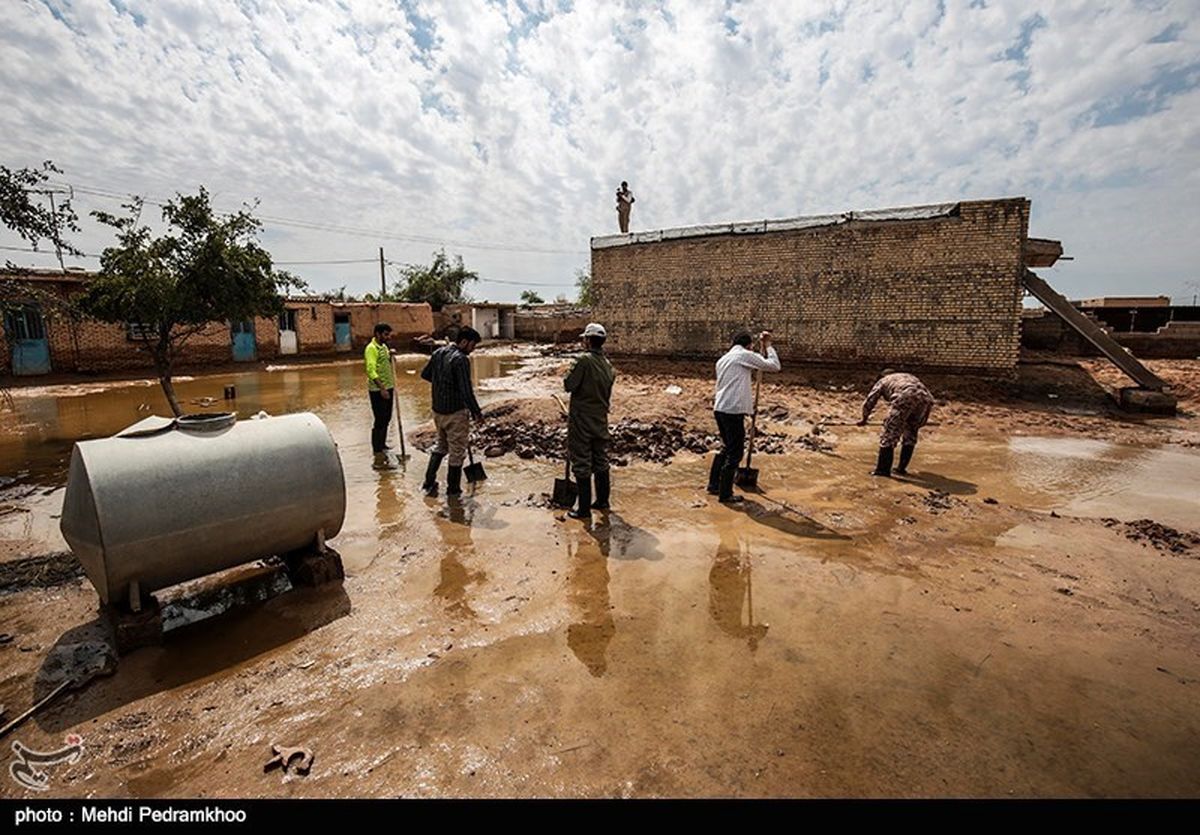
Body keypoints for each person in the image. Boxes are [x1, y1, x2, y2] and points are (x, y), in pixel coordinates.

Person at [709, 330, 781, 503]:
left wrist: (747, 406)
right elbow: (774, 365)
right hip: (732, 410)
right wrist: (769, 346)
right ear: (748, 345)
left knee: (727, 448)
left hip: (720, 408)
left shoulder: (723, 359)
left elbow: (736, 383)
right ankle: (725, 494)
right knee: (735, 453)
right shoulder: (744, 355)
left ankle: (714, 485)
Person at [420, 326, 484, 497]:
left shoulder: (439, 353)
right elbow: (466, 390)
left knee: (441, 446)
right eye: (472, 345)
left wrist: (442, 383)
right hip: (455, 413)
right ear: (463, 342)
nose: (473, 349)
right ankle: (453, 491)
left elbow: (425, 375)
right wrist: (477, 413)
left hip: (438, 410)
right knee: (457, 452)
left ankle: (428, 482)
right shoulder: (461, 359)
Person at [564, 322, 616, 520]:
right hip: (600, 420)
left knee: (582, 462)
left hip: (581, 421)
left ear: (587, 340)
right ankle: (602, 501)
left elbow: (569, 384)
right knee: (601, 460)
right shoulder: (608, 366)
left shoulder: (583, 360)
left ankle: (583, 508)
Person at [857, 369, 935, 477]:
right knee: (911, 433)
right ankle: (901, 469)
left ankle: (882, 471)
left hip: (905, 396)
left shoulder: (883, 380)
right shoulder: (907, 376)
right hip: (926, 399)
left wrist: (864, 418)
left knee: (889, 434)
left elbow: (870, 400)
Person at [364, 323, 396, 470]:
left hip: (389, 388)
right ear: (377, 334)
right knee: (380, 420)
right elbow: (371, 371)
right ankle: (377, 452)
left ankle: (382, 446)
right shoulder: (371, 349)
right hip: (378, 390)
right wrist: (382, 388)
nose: (388, 337)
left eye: (389, 334)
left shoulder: (384, 347)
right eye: (386, 334)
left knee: (387, 418)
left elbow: (386, 362)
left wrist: (391, 356)